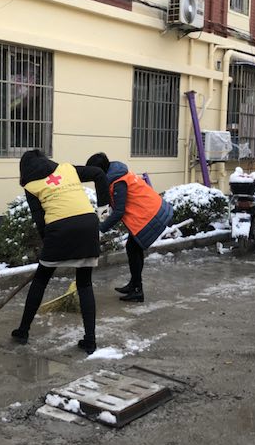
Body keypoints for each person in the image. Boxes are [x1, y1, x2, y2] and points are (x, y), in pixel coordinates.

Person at [11, 149, 110, 354]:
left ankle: (23, 331)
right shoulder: (67, 169)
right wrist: (102, 212)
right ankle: (90, 341)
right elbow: (99, 174)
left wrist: (48, 248)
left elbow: (40, 221)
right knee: (84, 283)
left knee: (40, 280)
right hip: (88, 225)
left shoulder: (31, 186)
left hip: (59, 229)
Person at [85, 153, 173, 302]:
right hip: (149, 211)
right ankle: (134, 284)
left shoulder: (118, 181)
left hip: (149, 214)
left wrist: (101, 228)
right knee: (133, 248)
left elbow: (119, 211)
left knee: (133, 249)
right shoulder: (116, 174)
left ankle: (137, 289)